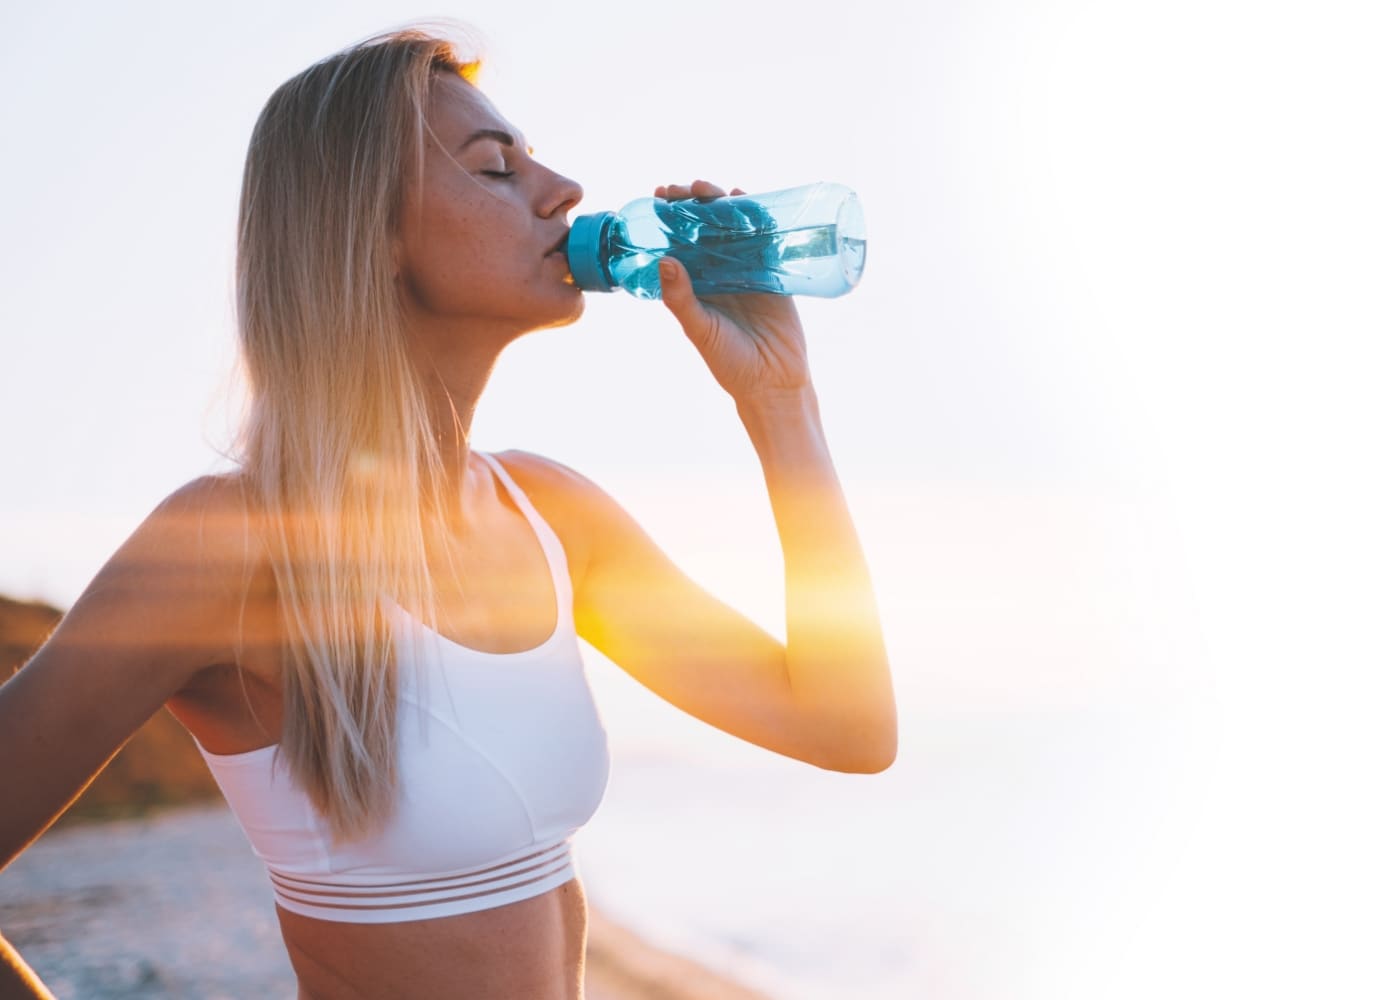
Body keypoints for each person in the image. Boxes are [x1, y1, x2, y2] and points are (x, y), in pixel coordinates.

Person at [0, 25, 895, 1000]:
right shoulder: (228, 546)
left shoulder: (550, 513)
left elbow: (847, 727)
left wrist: (780, 402)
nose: (561, 191)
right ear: (371, 233)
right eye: (496, 169)